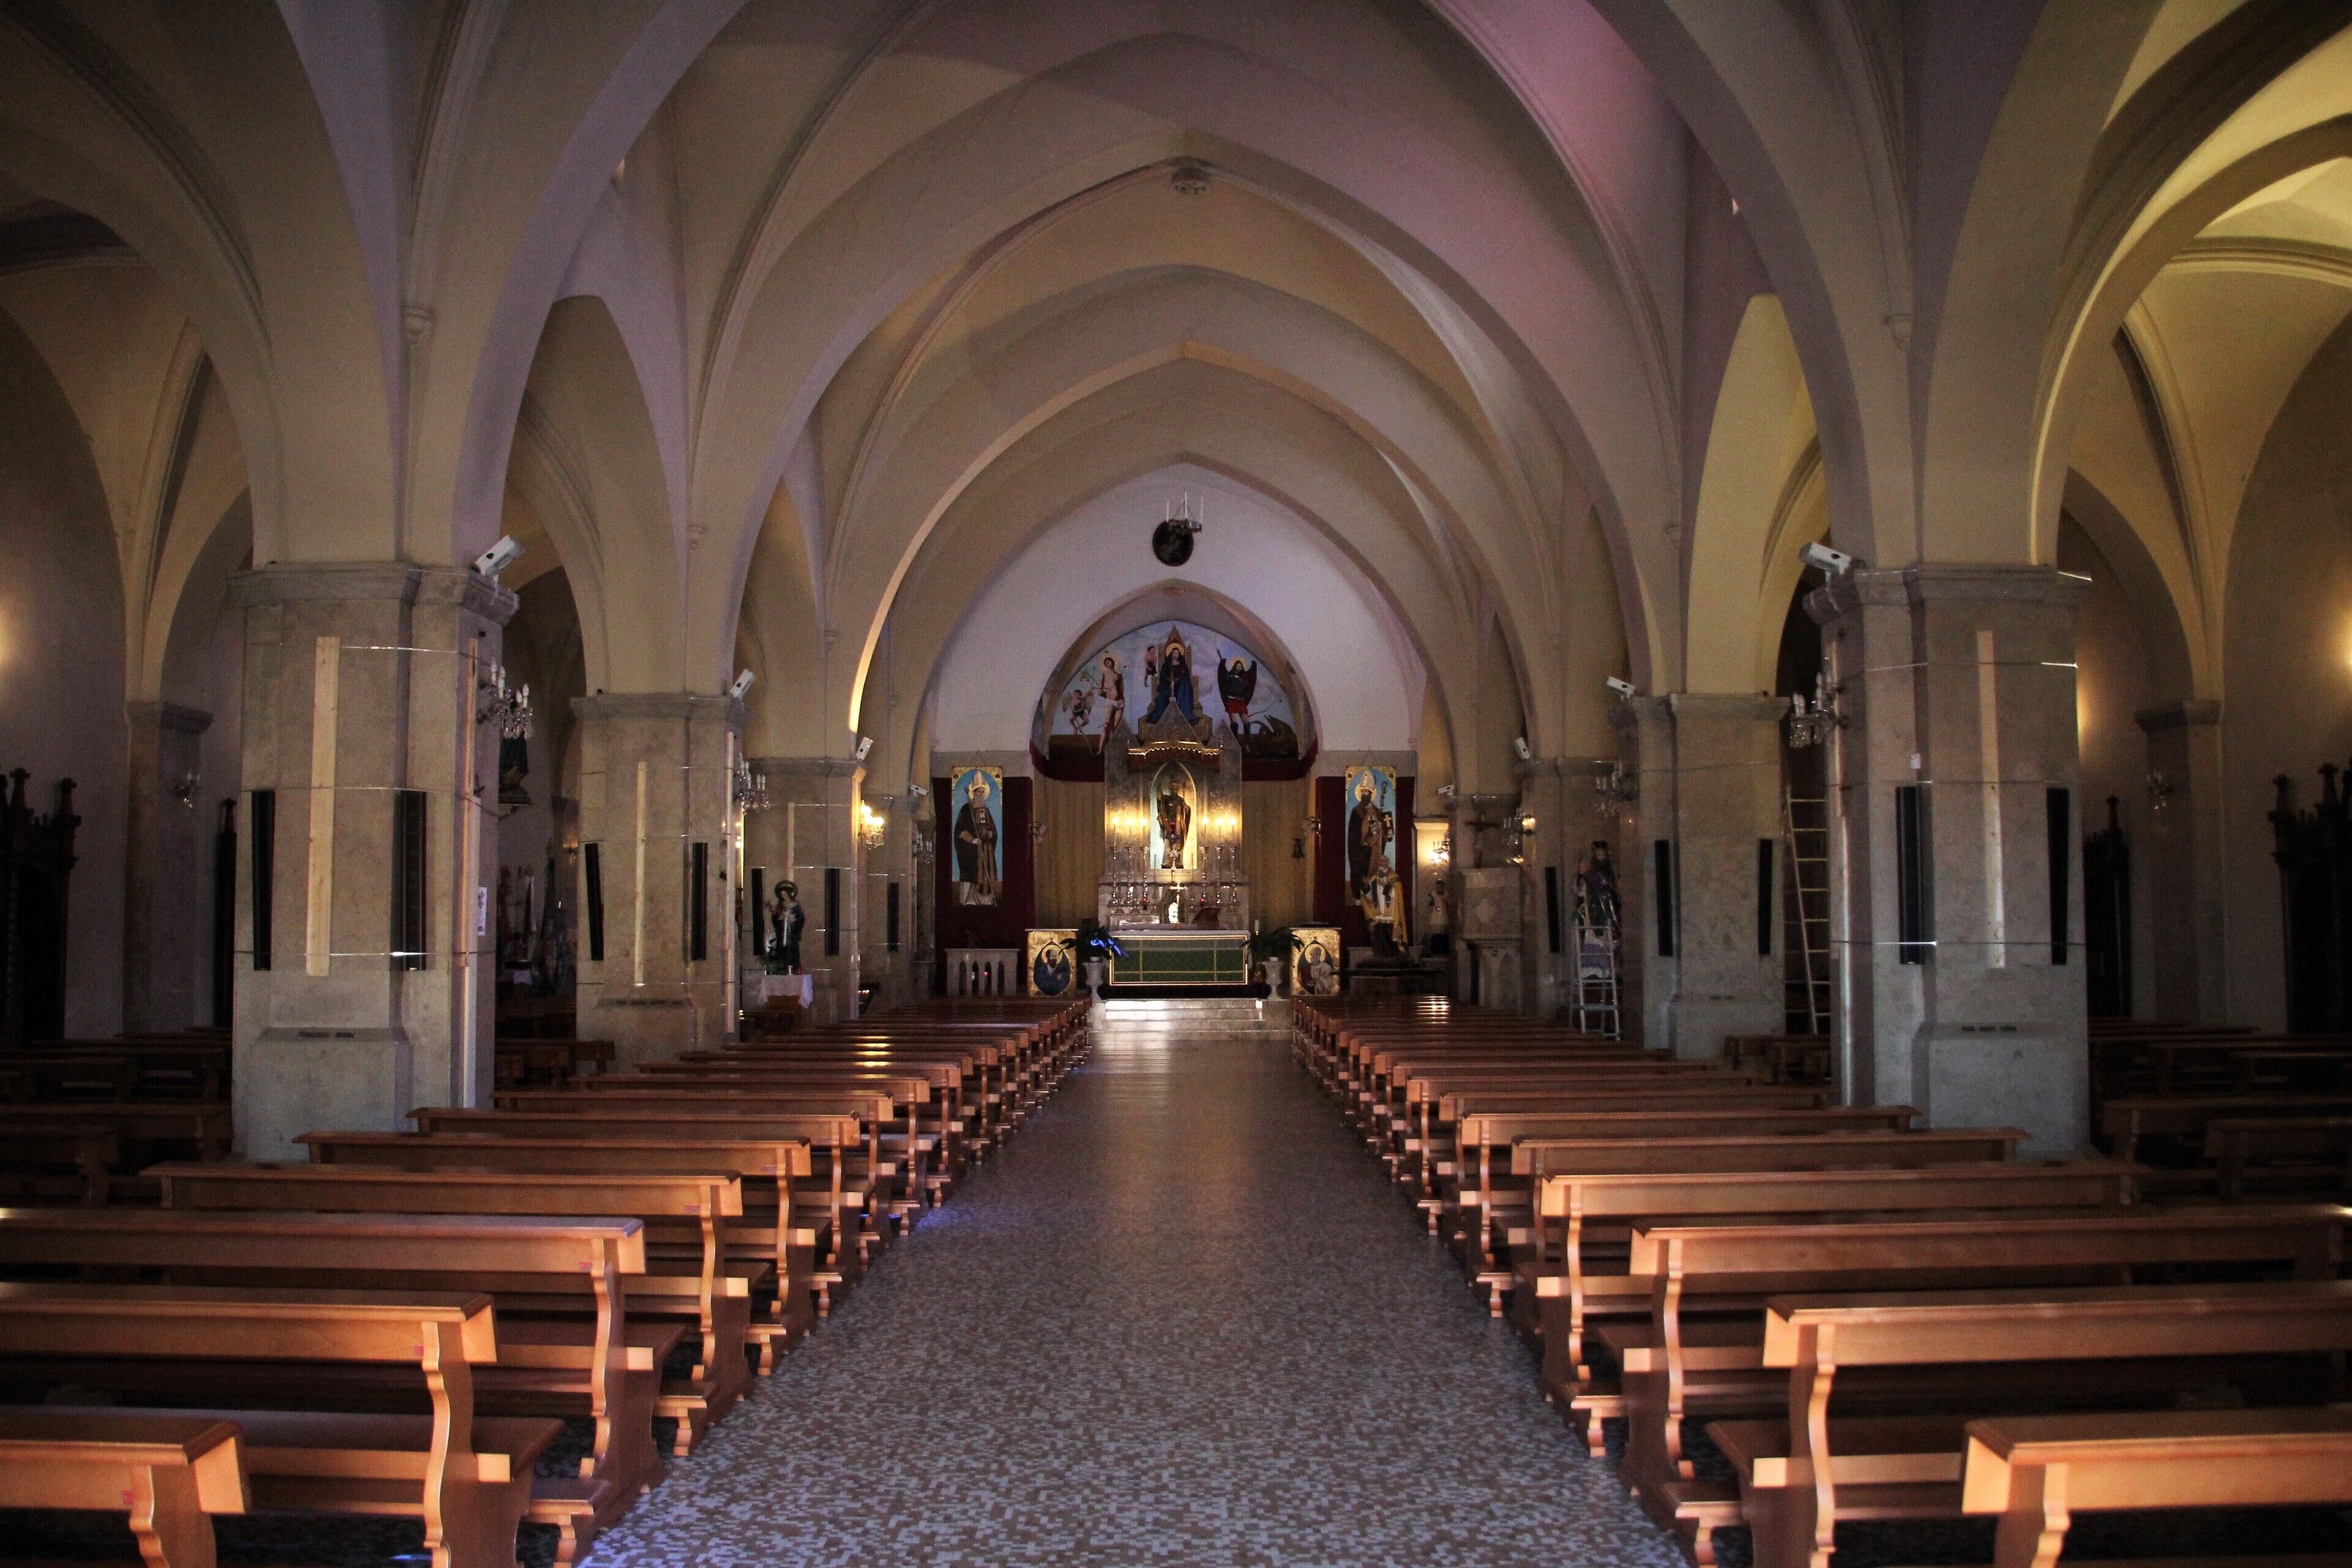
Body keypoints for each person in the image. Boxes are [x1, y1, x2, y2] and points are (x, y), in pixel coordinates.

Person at [953, 777, 999, 904]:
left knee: (986, 875)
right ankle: (970, 900)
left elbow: (993, 830)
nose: (980, 795)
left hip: (986, 850)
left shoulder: (986, 810)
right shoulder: (966, 810)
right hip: (972, 852)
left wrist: (991, 834)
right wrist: (973, 840)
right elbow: (960, 832)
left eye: (982, 792)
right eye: (978, 792)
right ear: (974, 793)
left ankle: (987, 901)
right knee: (973, 876)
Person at [1141, 627, 1199, 727]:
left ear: (1179, 654)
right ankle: (1165, 717)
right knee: (1164, 696)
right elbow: (1163, 676)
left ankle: (1184, 714)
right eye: (1174, 653)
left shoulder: (1182, 664)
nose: (1176, 655)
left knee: (1184, 688)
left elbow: (1185, 676)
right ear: (1171, 654)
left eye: (1177, 653)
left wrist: (1179, 680)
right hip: (1168, 685)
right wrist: (1170, 682)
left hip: (1180, 686)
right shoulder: (1167, 664)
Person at [1216, 647, 1257, 740]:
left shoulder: (1244, 677)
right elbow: (1225, 685)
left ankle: (1247, 740)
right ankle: (1235, 740)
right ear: (1234, 666)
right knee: (1234, 722)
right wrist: (1223, 664)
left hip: (1240, 700)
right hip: (1232, 700)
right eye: (1237, 666)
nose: (1239, 668)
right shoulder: (1229, 675)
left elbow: (1248, 687)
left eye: (1240, 666)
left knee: (1246, 721)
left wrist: (1243, 696)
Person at [770, 881, 804, 973]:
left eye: (785, 894)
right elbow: (775, 920)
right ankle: (782, 966)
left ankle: (795, 967)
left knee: (793, 948)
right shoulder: (780, 906)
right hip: (782, 933)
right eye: (782, 894)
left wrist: (793, 920)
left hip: (792, 932)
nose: (784, 896)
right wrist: (776, 914)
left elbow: (801, 918)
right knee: (782, 948)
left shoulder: (796, 905)